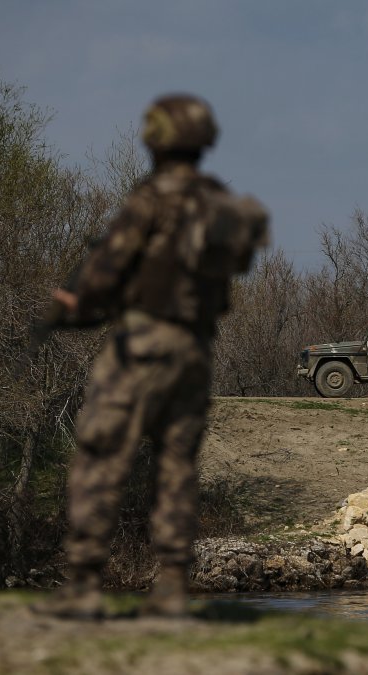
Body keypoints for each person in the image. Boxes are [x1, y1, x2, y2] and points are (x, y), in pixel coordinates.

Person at [38, 93, 268, 619]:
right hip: (195, 350)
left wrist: (73, 305)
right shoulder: (221, 205)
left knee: (101, 453)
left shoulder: (152, 200)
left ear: (156, 138)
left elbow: (103, 275)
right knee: (176, 469)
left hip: (144, 344)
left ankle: (84, 583)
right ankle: (171, 586)